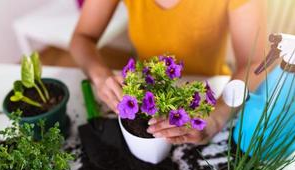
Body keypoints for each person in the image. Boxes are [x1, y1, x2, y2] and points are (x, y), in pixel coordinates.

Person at [70, 0, 267, 144]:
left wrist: (218, 114)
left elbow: (256, 62)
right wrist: (100, 76)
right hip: (147, 98)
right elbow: (82, 38)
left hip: (207, 97)